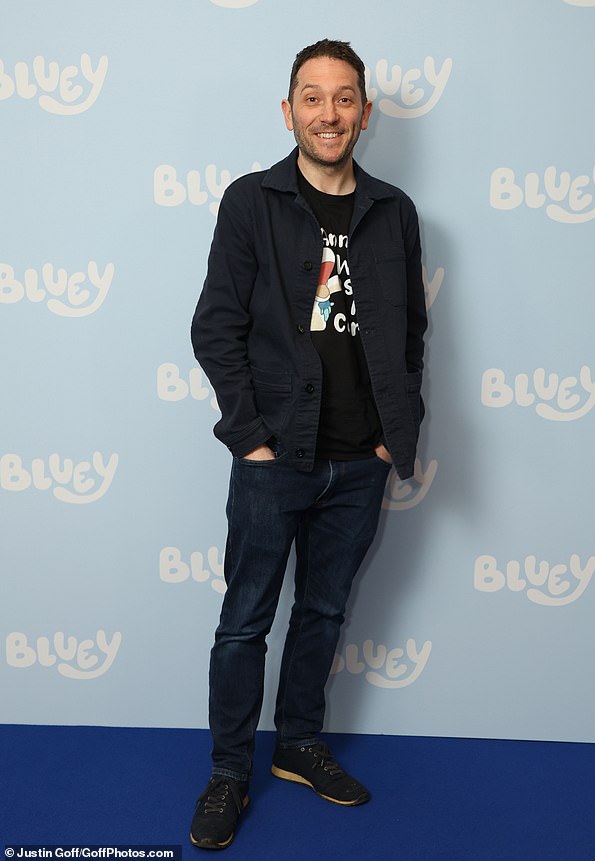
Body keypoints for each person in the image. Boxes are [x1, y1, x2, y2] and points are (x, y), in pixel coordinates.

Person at [189, 38, 427, 850]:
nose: (330, 113)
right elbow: (215, 328)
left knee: (323, 610)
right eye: (313, 97)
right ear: (289, 110)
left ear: (364, 111)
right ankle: (228, 770)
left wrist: (398, 434)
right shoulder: (251, 202)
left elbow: (412, 335)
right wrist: (249, 438)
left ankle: (297, 745)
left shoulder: (394, 212)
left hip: (363, 460)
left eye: (345, 97)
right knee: (244, 622)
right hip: (274, 460)